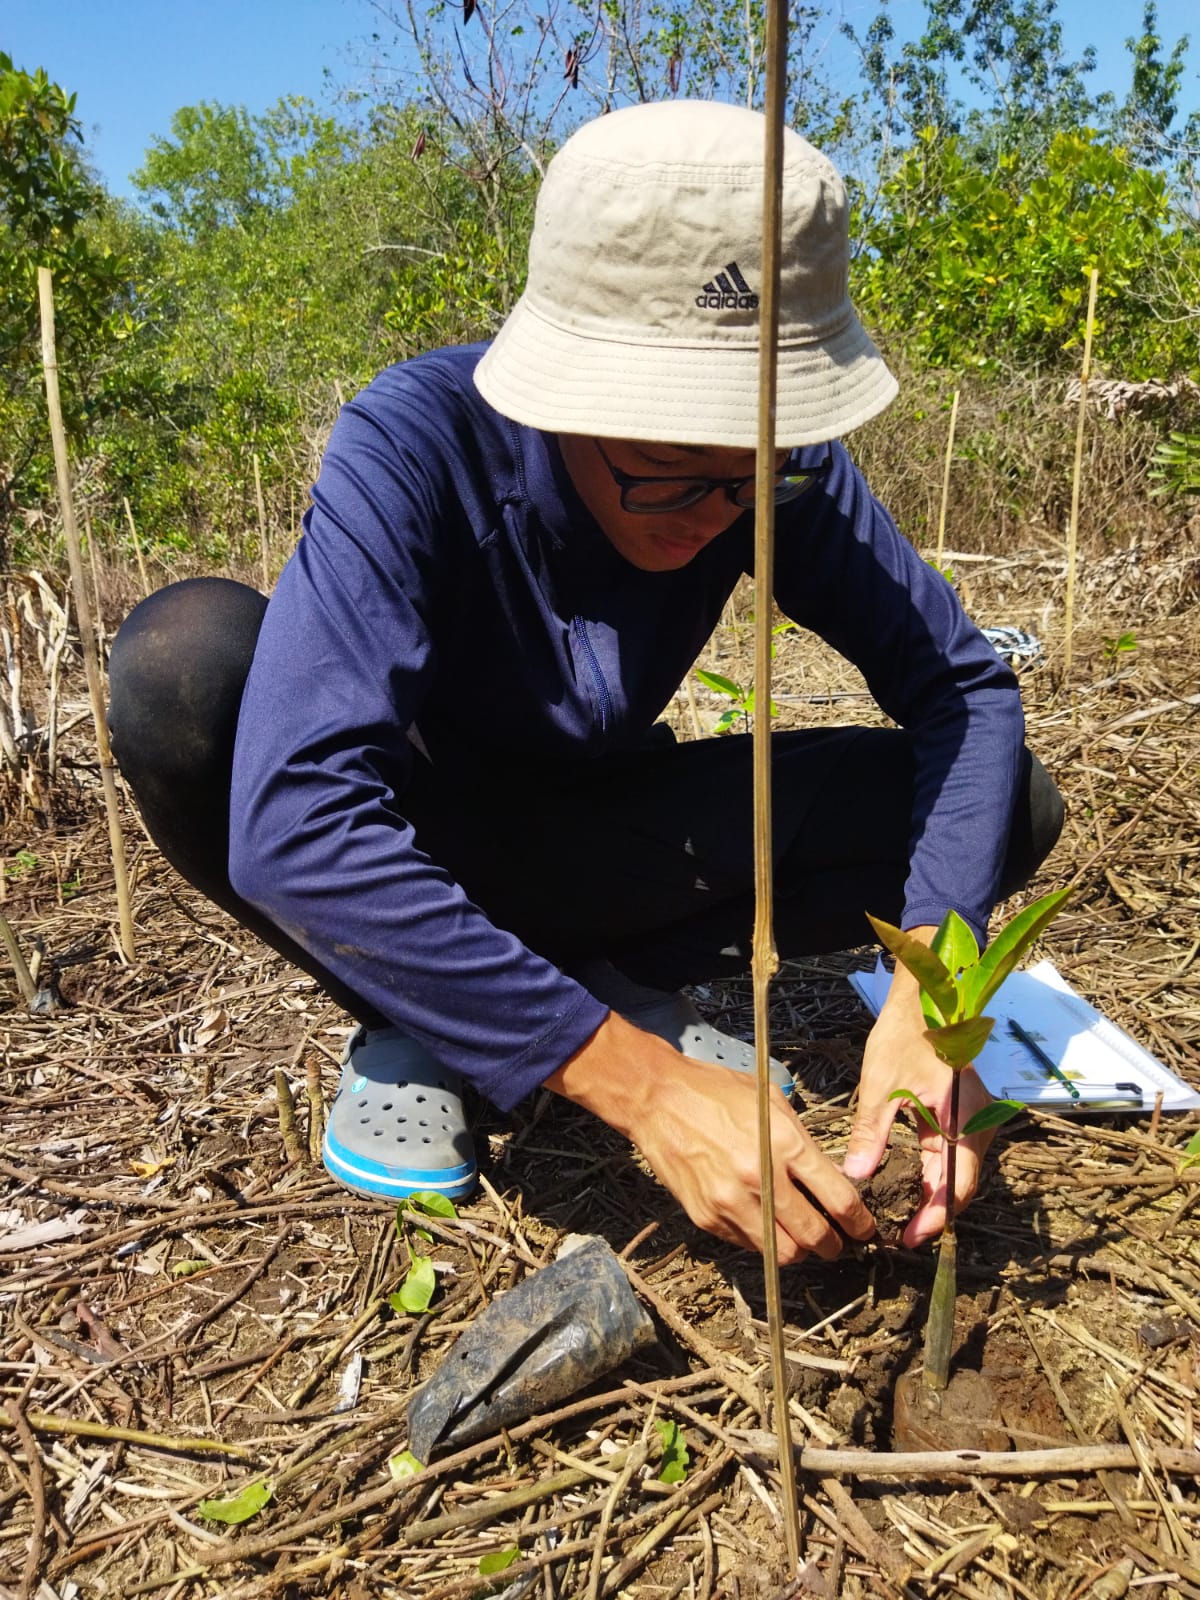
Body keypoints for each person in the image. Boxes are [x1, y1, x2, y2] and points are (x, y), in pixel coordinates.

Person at [108, 99, 1063, 1264]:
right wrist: (644, 1080)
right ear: (563, 391)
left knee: (1008, 804)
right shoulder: (415, 445)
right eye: (666, 466)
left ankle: (586, 981)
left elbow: (965, 695)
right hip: (420, 841)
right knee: (183, 664)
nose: (715, 512)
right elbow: (297, 820)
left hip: (598, 841)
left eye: (748, 480)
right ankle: (424, 1013)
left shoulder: (778, 471)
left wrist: (929, 984)